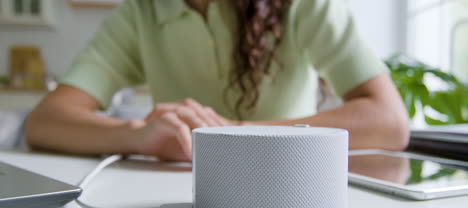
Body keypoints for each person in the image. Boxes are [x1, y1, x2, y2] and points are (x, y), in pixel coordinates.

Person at [25, 0, 409, 161]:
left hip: (284, 184)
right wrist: (136, 133)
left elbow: (389, 121)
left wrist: (235, 133)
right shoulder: (142, 11)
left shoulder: (301, 5)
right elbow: (45, 121)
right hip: (181, 195)